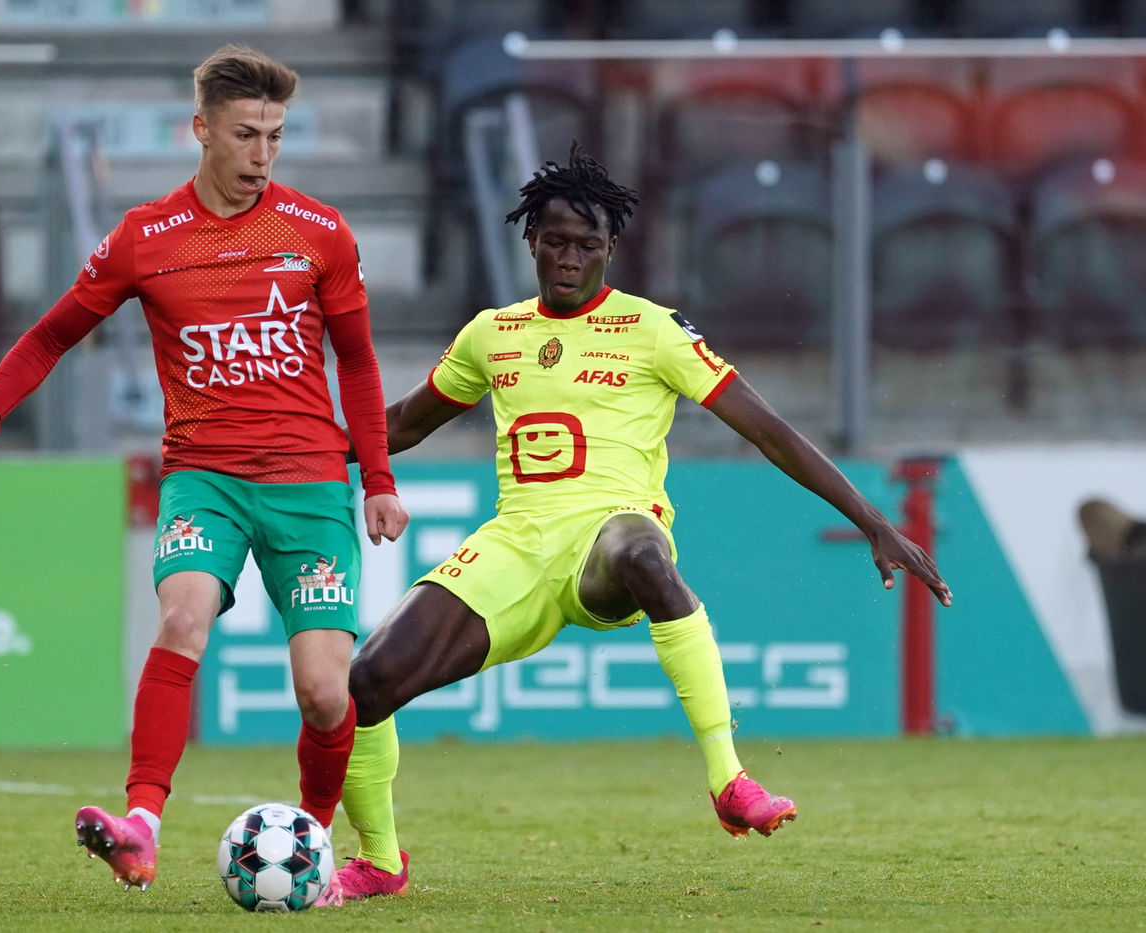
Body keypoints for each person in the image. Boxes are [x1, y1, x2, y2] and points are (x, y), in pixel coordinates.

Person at [325, 144, 953, 900]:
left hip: (611, 531)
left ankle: (729, 779)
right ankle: (380, 861)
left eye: (587, 245)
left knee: (643, 555)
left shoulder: (652, 329)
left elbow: (768, 429)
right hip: (516, 547)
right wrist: (299, 445)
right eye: (556, 241)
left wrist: (873, 520)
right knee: (363, 685)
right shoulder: (491, 334)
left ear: (610, 249)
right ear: (531, 240)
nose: (569, 258)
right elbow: (402, 424)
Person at [0, 44, 410, 895]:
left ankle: (311, 840)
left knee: (323, 693)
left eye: (275, 135)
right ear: (202, 129)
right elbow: (50, 334)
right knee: (182, 617)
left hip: (308, 483)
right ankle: (141, 827)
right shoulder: (146, 237)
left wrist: (376, 477)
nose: (262, 155)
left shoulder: (318, 232)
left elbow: (360, 361)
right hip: (205, 478)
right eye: (246, 135)